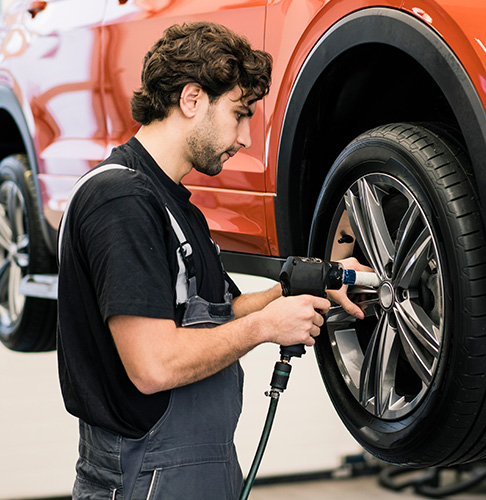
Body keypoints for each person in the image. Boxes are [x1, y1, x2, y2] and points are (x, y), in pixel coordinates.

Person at [56, 22, 365, 499]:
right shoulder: (120, 200)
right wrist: (266, 328)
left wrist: (301, 291)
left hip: (203, 465)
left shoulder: (176, 205)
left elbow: (215, 316)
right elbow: (153, 365)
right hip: (145, 476)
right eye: (239, 114)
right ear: (192, 99)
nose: (244, 137)